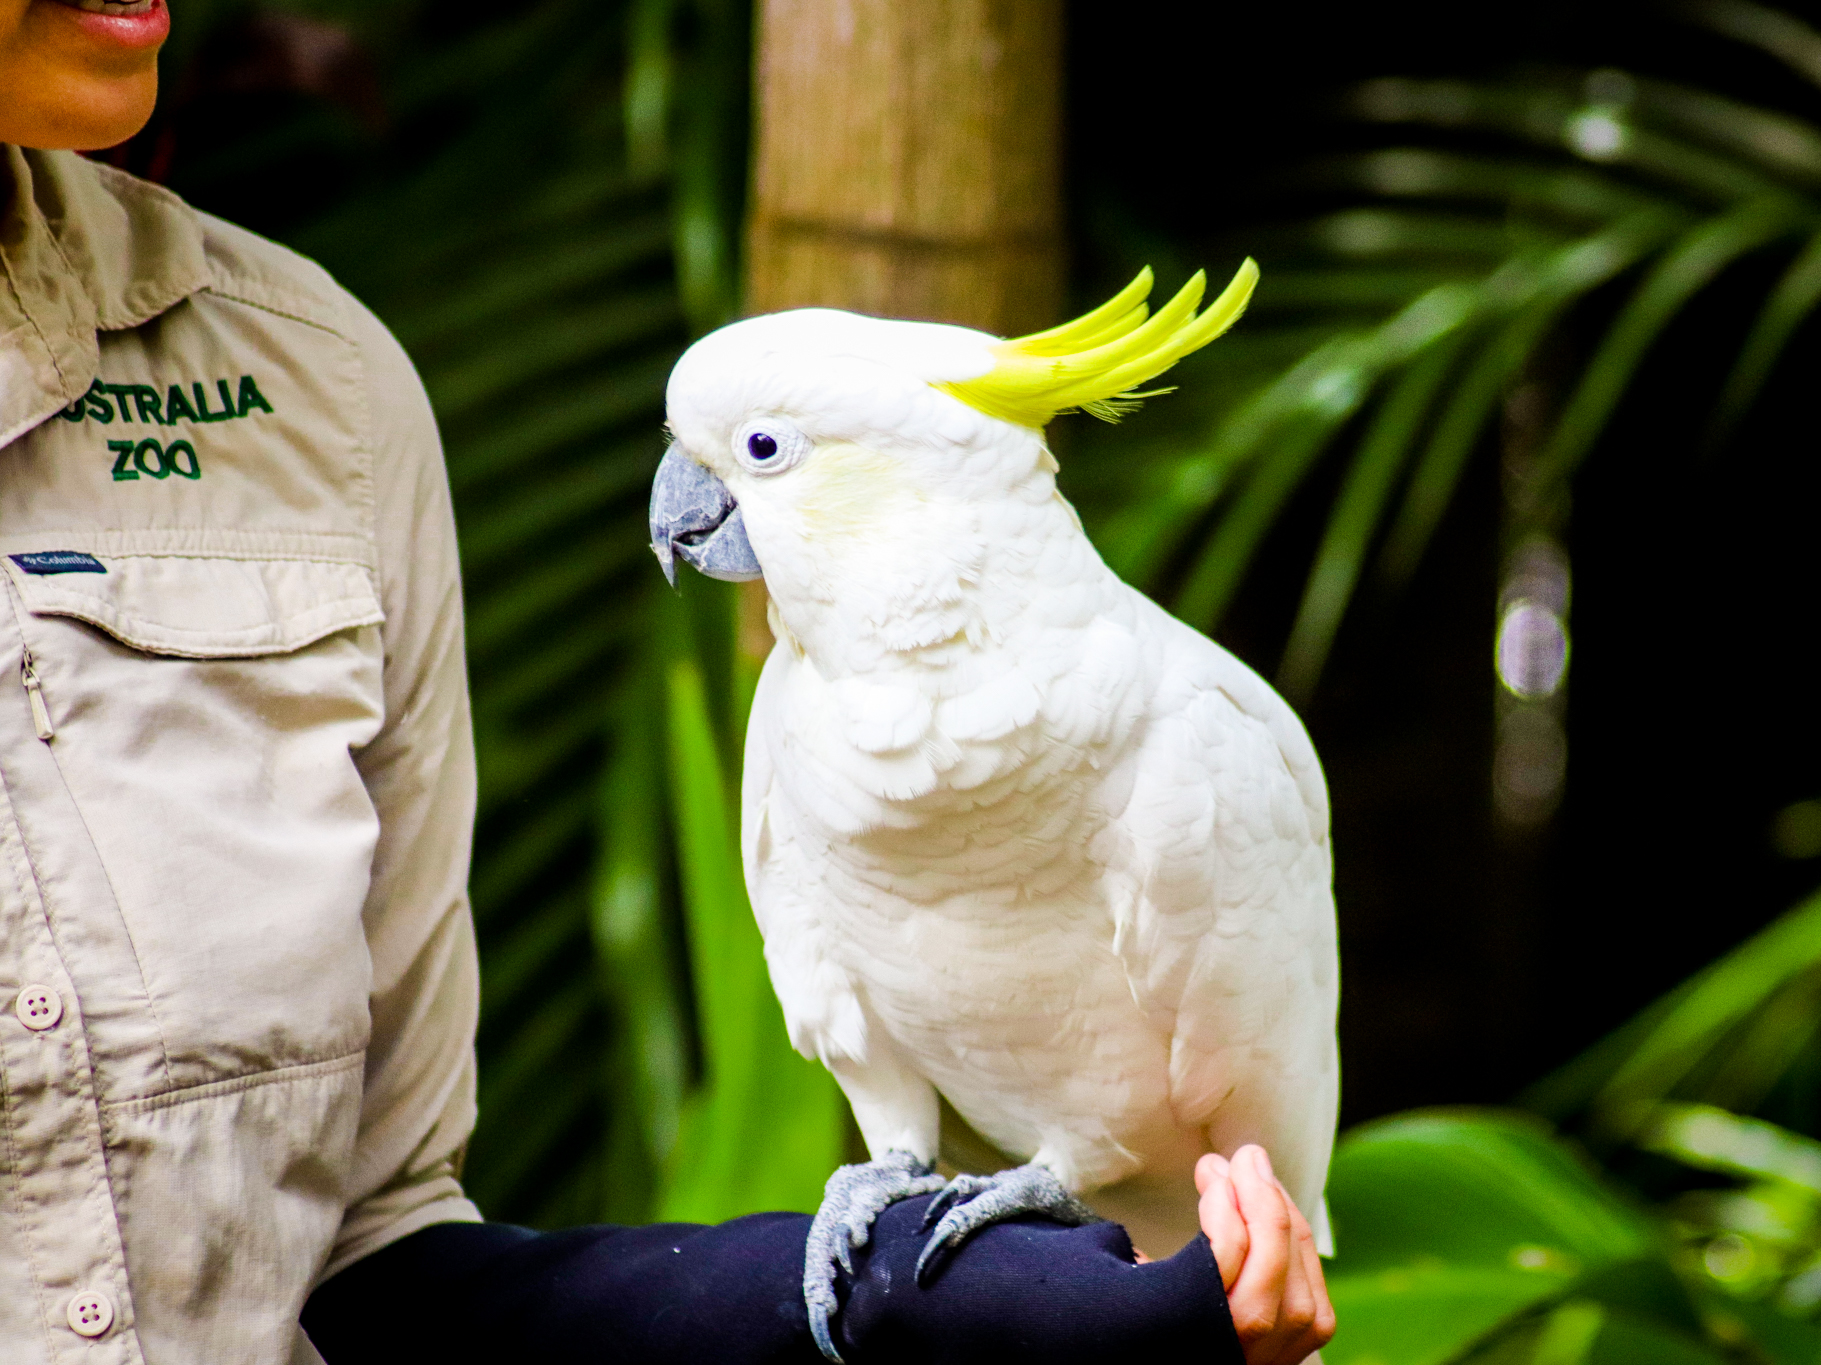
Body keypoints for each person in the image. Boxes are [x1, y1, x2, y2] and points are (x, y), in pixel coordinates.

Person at [0, 3, 1340, 1363]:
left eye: (760, 449)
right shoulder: (805, 727)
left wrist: (828, 1310)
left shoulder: (1186, 738)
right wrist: (871, 1212)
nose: (697, 494)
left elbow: (373, 1240)